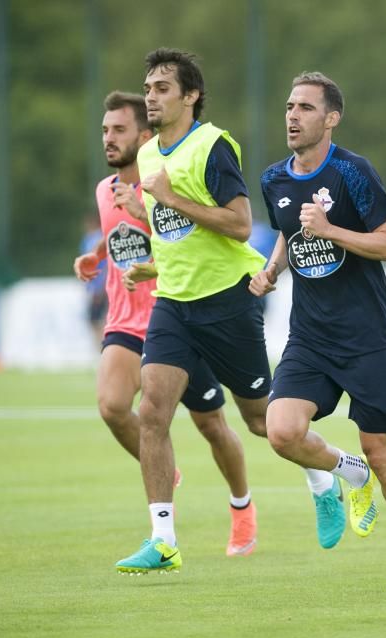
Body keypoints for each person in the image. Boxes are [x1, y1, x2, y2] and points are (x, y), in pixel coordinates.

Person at [250, 72, 386, 592]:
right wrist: (272, 270)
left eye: (305, 107)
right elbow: (289, 232)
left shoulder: (354, 173)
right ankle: (349, 474)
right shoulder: (274, 180)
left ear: (331, 118)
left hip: (368, 338)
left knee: (385, 455)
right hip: (309, 338)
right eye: (289, 106)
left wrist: (331, 231)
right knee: (281, 431)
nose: (292, 116)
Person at [73, 90, 258, 567]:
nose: (109, 139)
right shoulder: (103, 190)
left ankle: (242, 506)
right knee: (114, 406)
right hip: (125, 323)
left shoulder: (166, 182)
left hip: (176, 310)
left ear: (144, 135)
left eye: (118, 130)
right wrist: (94, 257)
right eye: (104, 130)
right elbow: (120, 237)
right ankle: (162, 499)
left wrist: (146, 227)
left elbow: (185, 244)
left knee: (213, 425)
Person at [112, 48, 273, 574]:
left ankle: (327, 473)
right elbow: (174, 236)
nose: (151, 97)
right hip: (174, 304)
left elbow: (240, 225)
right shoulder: (149, 155)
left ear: (190, 96)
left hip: (228, 300)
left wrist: (171, 199)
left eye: (161, 88)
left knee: (260, 420)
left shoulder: (212, 146)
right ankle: (163, 540)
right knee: (152, 413)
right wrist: (152, 266)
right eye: (148, 87)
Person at [79, 213, 108, 345]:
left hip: (100, 287)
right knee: (97, 320)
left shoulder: (96, 239)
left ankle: (104, 348)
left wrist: (99, 288)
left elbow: (104, 265)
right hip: (96, 286)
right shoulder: (90, 239)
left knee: (97, 320)